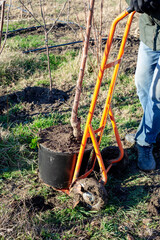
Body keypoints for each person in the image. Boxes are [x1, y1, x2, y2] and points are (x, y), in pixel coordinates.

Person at [125, 0, 160, 171]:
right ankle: (154, 131)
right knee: (142, 84)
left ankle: (145, 142)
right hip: (150, 35)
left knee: (157, 95)